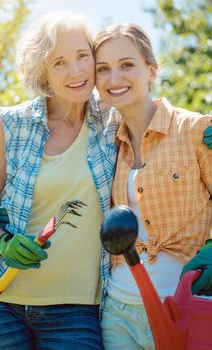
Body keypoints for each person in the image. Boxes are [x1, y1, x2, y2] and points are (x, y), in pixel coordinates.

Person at [0, 11, 120, 350]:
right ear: (43, 72)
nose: (76, 71)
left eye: (82, 56)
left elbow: (163, 119)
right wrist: (3, 243)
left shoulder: (115, 119)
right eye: (59, 62)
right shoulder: (14, 124)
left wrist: (196, 130)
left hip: (76, 310)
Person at [94, 23, 212, 349]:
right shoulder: (108, 144)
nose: (114, 78)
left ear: (151, 70)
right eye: (103, 69)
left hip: (184, 309)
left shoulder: (195, 130)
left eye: (127, 65)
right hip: (118, 312)